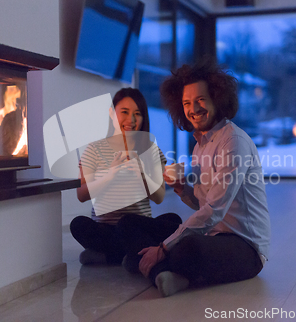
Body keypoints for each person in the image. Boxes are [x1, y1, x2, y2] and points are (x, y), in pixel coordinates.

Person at [117, 59, 271, 297]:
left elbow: (215, 210)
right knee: (129, 223)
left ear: (216, 99)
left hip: (243, 246)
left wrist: (164, 247)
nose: (193, 108)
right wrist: (181, 189)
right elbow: (201, 203)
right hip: (211, 234)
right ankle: (166, 273)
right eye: (187, 102)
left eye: (200, 100)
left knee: (186, 247)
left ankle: (153, 265)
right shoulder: (200, 145)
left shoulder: (233, 141)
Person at [70, 88, 181, 265]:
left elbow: (159, 197)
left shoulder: (150, 149)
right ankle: (132, 255)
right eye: (124, 112)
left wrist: (141, 173)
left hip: (136, 226)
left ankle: (109, 256)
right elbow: (81, 195)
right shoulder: (94, 149)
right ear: (111, 113)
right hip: (106, 229)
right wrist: (111, 174)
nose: (131, 119)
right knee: (78, 224)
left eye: (138, 113)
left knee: (174, 221)